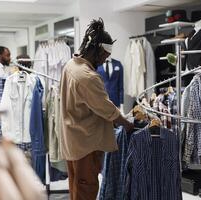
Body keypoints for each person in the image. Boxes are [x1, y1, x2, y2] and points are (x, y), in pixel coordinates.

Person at [59, 18, 134, 200]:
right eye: (104, 56)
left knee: (77, 186)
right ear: (98, 50)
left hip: (72, 139)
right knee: (86, 188)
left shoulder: (71, 65)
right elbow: (107, 109)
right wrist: (127, 124)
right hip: (85, 142)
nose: (104, 60)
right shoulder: (87, 76)